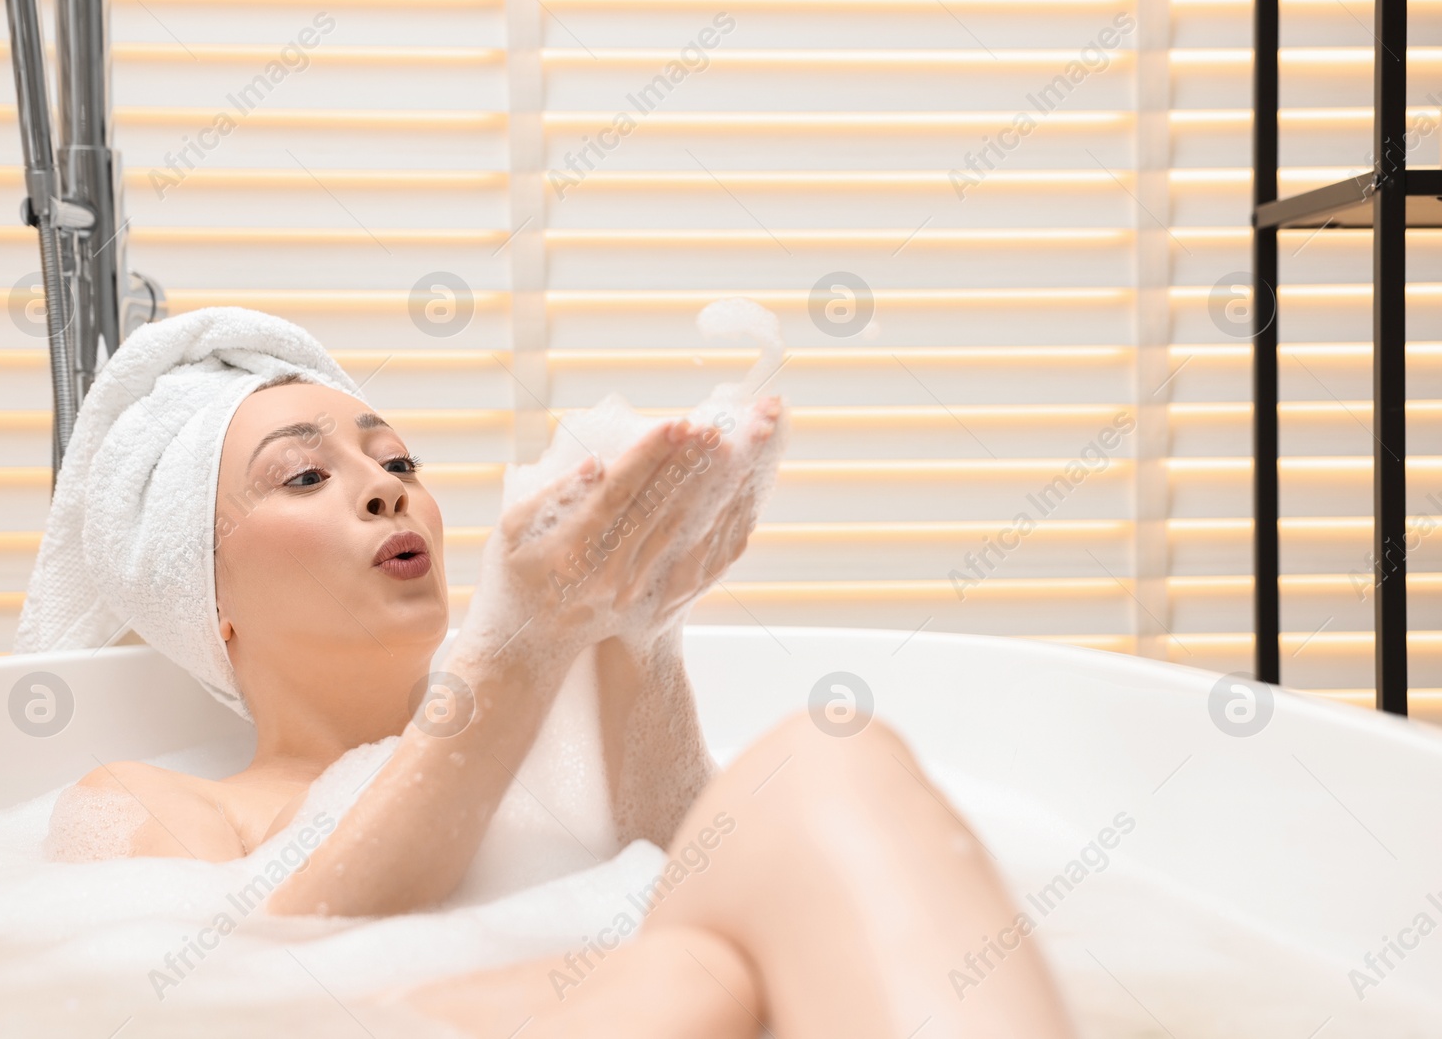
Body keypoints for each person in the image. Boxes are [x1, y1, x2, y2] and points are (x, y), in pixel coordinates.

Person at [61, 371, 1077, 1038]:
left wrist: (642, 623)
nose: (382, 486)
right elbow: (212, 998)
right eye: (304, 473)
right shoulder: (153, 801)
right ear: (201, 596)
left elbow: (692, 866)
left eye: (396, 460)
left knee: (705, 951)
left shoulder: (546, 757)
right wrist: (520, 644)